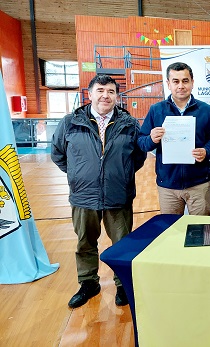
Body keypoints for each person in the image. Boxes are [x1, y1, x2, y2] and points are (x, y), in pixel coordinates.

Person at [51, 74, 146, 308]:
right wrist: (78, 175)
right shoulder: (70, 122)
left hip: (118, 195)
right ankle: (88, 283)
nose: (106, 95)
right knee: (85, 242)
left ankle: (123, 284)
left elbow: (138, 157)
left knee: (122, 243)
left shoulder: (130, 123)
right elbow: (57, 154)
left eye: (111, 91)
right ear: (90, 94)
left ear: (116, 96)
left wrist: (120, 175)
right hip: (84, 196)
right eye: (101, 90)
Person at [138, 62, 210, 215]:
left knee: (200, 231)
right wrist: (151, 139)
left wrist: (206, 151)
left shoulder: (205, 110)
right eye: (175, 81)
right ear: (168, 84)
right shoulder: (156, 110)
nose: (181, 86)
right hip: (168, 186)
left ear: (192, 83)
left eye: (185, 81)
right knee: (171, 231)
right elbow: (142, 142)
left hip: (199, 184)